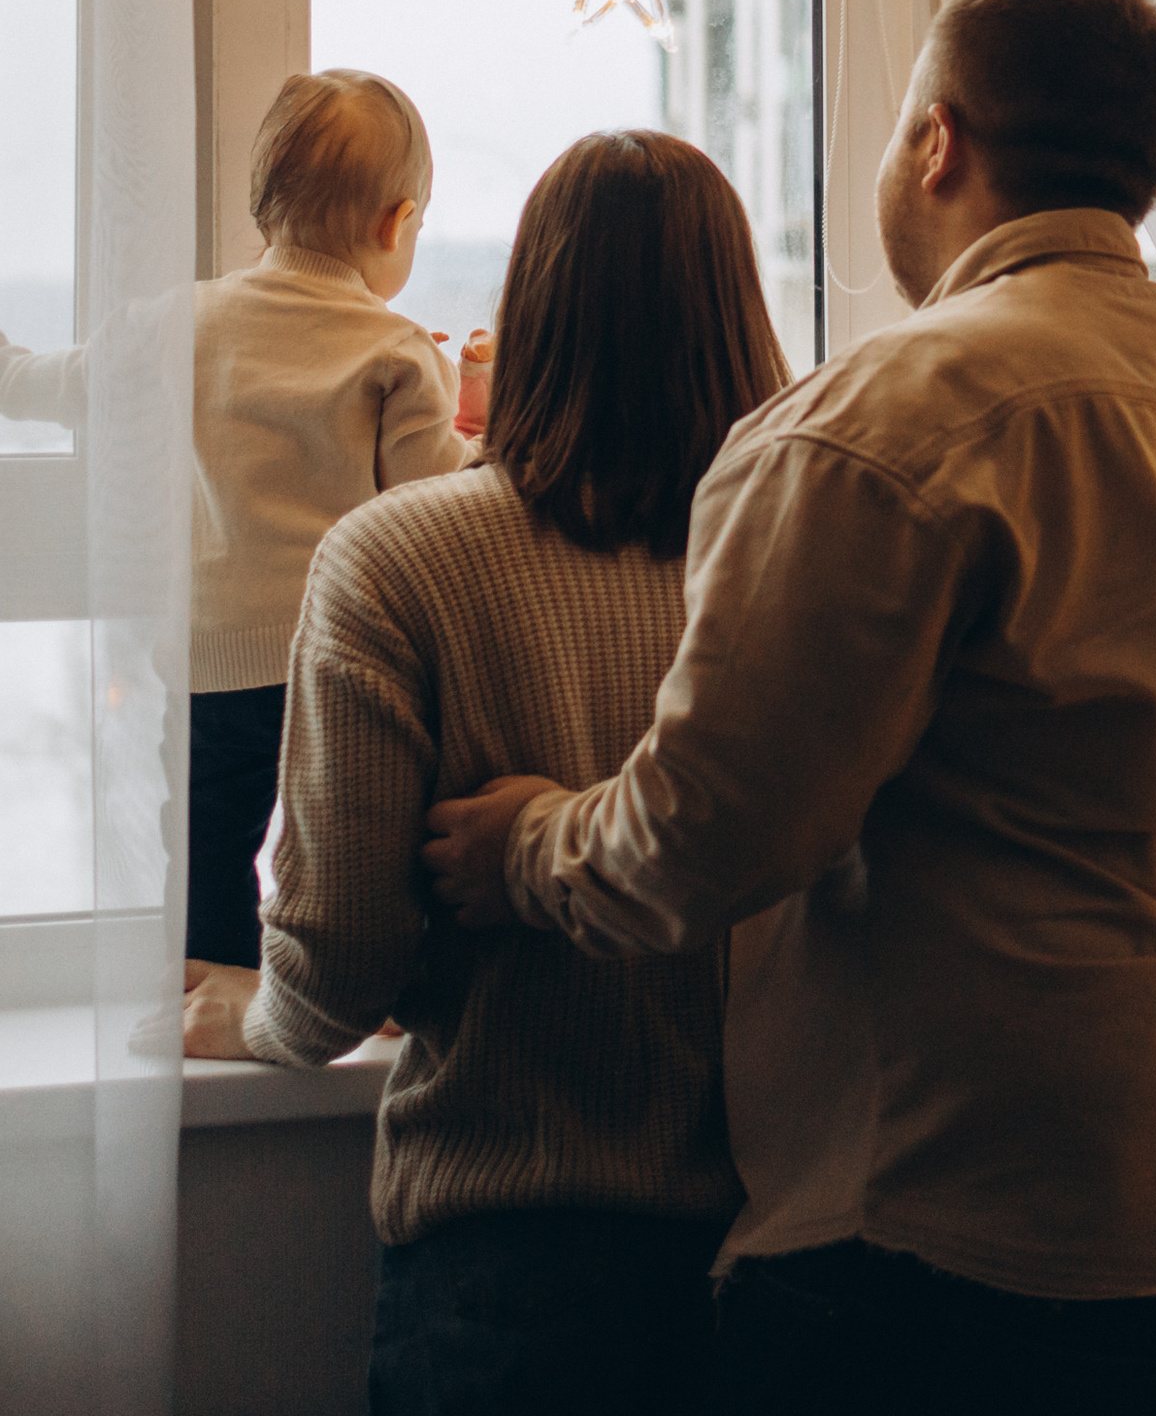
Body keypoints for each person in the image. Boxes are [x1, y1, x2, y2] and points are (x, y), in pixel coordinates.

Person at [422, 0, 1156, 1416]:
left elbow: (710, 836)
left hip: (979, 1228)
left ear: (939, 141)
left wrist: (520, 847)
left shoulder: (874, 428)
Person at [181, 130, 789, 1415]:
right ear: (741, 315)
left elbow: (338, 971)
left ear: (529, 309)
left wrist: (253, 1015)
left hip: (509, 1263)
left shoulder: (395, 559)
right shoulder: (805, 559)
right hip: (782, 1255)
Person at [0, 70, 469, 965]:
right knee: (360, 845)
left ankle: (209, 985)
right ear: (396, 223)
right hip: (344, 662)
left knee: (208, 847)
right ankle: (354, 989)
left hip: (210, 663)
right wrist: (486, 426)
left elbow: (56, 385)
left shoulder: (175, 324)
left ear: (264, 203)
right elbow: (435, 504)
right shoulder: (396, 353)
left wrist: (7, 368)